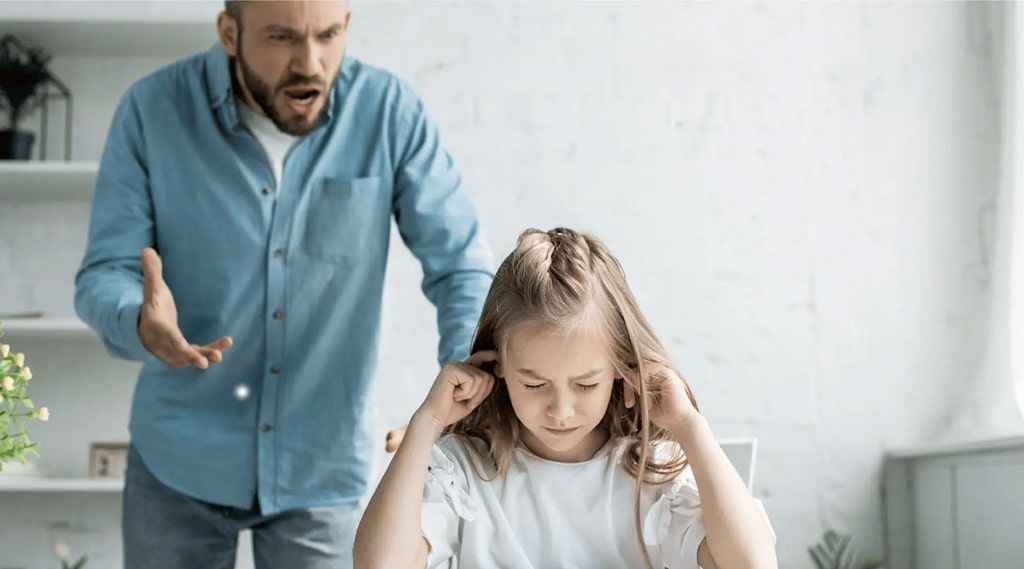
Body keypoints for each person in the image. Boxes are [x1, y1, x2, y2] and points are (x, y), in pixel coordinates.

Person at [73, 1, 492, 567]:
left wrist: (463, 382)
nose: (310, 63)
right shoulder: (153, 109)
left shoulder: (389, 112)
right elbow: (106, 272)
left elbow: (461, 266)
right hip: (178, 458)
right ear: (229, 33)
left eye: (328, 35)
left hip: (321, 462)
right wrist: (139, 322)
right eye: (281, 38)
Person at [354, 227, 777, 569]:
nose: (561, 410)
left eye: (586, 385)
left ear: (621, 369)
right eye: (534, 385)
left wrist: (688, 426)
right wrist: (427, 422)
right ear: (497, 365)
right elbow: (378, 565)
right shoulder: (463, 469)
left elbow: (753, 564)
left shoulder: (649, 472)